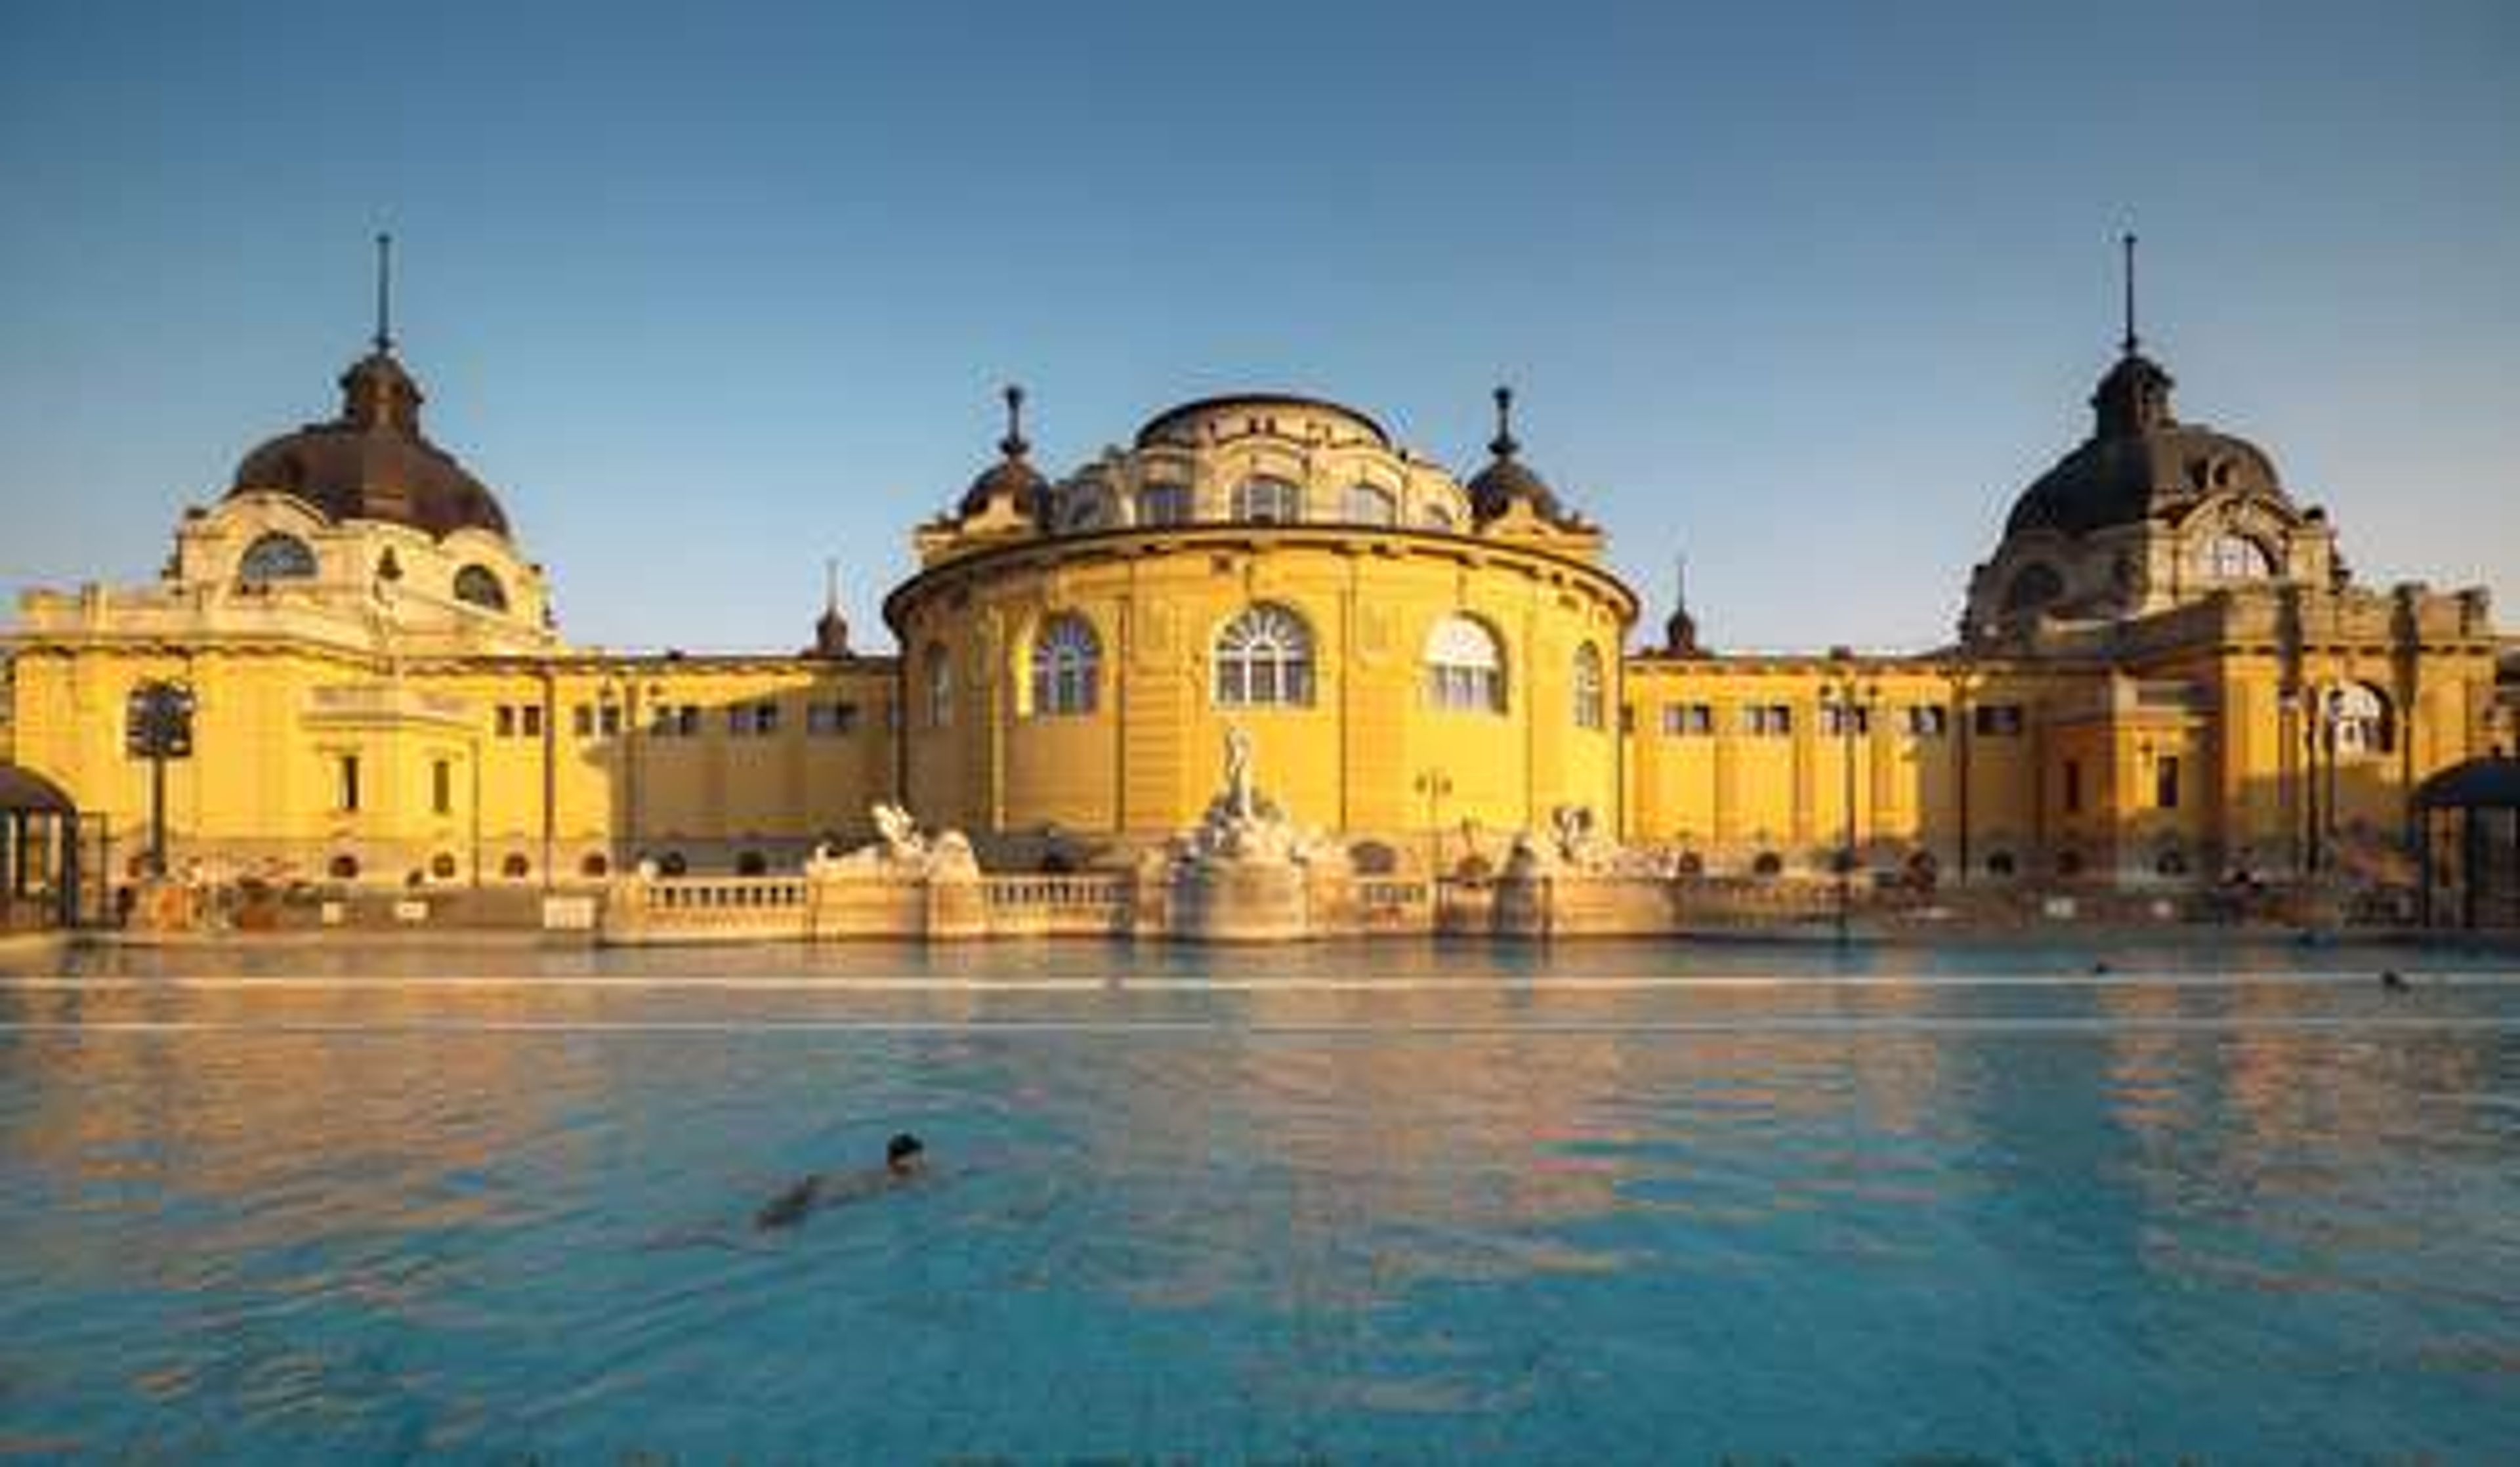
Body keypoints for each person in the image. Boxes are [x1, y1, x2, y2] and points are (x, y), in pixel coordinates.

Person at [754, 1133, 928, 1231]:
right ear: (909, 1158)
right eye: (918, 1156)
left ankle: (761, 1224)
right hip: (836, 1193)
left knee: (792, 1206)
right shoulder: (902, 1179)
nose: (921, 1160)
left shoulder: (881, 1169)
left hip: (821, 1182)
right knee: (795, 1214)